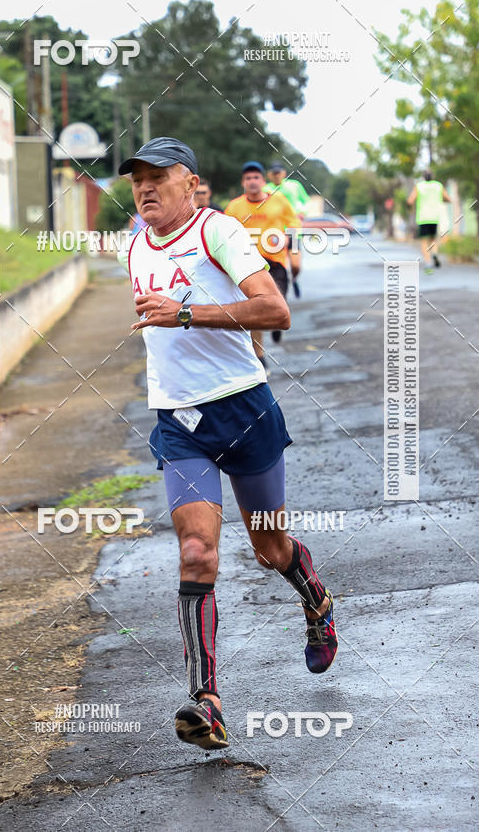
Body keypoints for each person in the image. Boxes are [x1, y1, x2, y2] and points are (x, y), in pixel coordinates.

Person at [117, 137, 337, 751]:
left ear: (191, 182)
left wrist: (185, 314)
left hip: (244, 409)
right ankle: (205, 700)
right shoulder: (132, 246)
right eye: (137, 178)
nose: (145, 187)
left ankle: (314, 598)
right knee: (196, 552)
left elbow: (275, 311)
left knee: (269, 548)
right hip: (179, 423)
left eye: (158, 176)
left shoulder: (221, 234)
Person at [224, 162, 299, 362]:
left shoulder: (279, 201)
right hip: (248, 265)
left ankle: (276, 323)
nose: (252, 182)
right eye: (248, 178)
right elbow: (223, 234)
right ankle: (260, 355)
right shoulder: (234, 207)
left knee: (278, 303)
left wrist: (287, 239)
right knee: (256, 309)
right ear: (243, 183)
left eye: (256, 177)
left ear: (263, 181)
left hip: (275, 262)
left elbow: (294, 224)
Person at [264, 163, 310, 297]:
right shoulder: (266, 189)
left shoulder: (294, 185)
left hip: (293, 231)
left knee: (296, 265)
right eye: (274, 173)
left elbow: (306, 200)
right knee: (277, 266)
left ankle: (293, 279)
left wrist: (302, 212)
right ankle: (276, 292)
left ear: (284, 173)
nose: (276, 175)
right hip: (275, 233)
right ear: (269, 174)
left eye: (279, 172)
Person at [407, 170, 451, 272]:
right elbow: (448, 199)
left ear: (423, 177)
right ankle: (434, 254)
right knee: (433, 239)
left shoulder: (419, 186)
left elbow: (410, 201)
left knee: (424, 241)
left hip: (423, 218)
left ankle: (428, 263)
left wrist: (410, 208)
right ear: (433, 177)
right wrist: (440, 199)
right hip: (434, 217)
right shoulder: (438, 186)